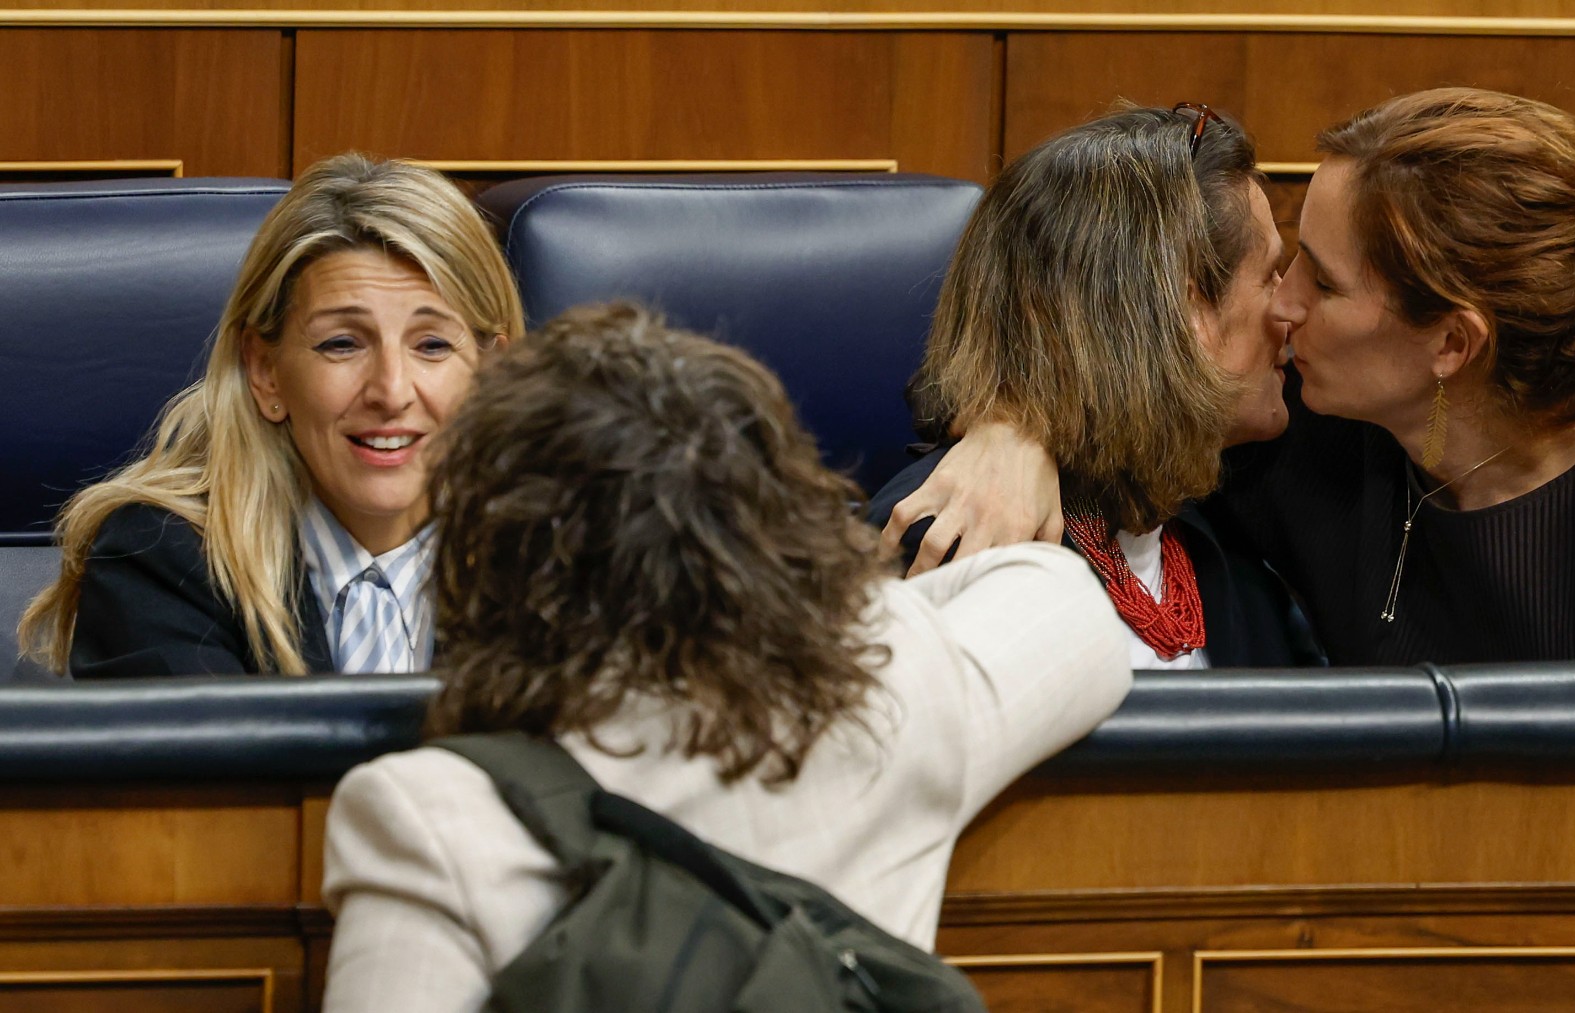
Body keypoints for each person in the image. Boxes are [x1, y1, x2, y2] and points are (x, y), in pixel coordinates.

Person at [320, 303, 1131, 1012]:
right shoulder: (895, 693)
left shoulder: (433, 816)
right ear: (774, 522)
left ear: (490, 552)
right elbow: (1064, 602)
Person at [884, 87, 1575, 663]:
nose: (1281, 305)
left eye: (1320, 279)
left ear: (1451, 346)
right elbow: (1095, 324)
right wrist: (1015, 424)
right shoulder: (1291, 430)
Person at [16, 153, 523, 678]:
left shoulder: (560, 558)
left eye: (433, 345)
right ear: (265, 373)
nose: (391, 392)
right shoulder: (164, 562)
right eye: (342, 344)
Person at [868, 104, 1321, 669]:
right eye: (1269, 275)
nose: (1289, 308)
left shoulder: (1235, 510)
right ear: (1184, 314)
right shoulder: (967, 537)